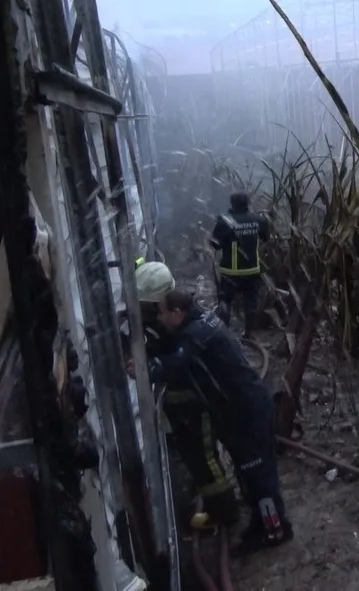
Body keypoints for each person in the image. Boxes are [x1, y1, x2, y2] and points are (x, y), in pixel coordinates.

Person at [152, 288, 293, 553]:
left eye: (161, 313)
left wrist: (150, 367)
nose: (159, 319)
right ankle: (261, 524)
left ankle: (276, 530)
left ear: (177, 313)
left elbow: (178, 362)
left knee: (259, 477)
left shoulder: (195, 335)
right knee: (247, 474)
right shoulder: (200, 321)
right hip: (238, 412)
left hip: (247, 413)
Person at [131, 261, 241, 530]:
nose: (150, 315)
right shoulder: (171, 316)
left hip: (196, 401)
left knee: (205, 458)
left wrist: (149, 368)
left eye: (150, 307)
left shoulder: (182, 325)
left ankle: (226, 511)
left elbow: (178, 360)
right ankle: (215, 505)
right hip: (181, 401)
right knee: (195, 458)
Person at [209, 192, 272, 335]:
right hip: (252, 270)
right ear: (248, 203)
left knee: (225, 301)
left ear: (232, 204)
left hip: (230, 271)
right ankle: (249, 334)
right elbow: (265, 238)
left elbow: (215, 245)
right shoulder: (259, 220)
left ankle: (224, 333)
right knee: (251, 302)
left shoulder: (225, 221)